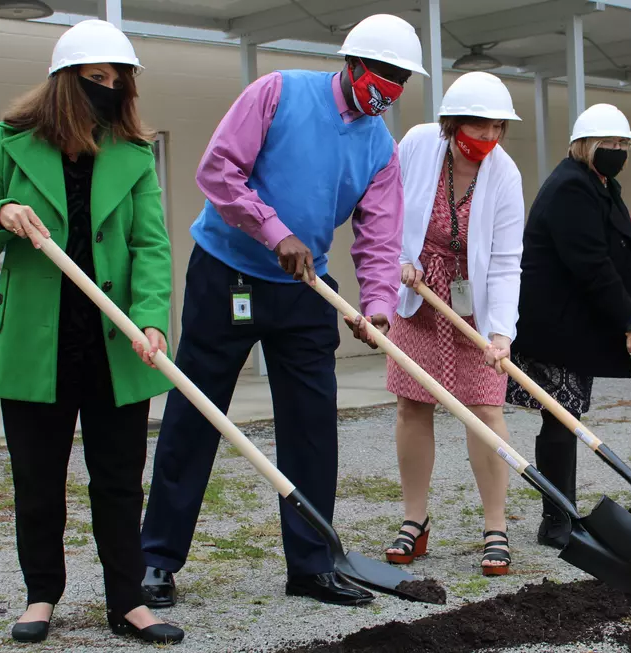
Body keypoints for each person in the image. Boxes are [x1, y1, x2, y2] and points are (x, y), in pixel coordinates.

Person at [138, 13, 426, 608]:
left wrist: (376, 306)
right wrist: (274, 231)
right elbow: (218, 170)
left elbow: (377, 239)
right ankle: (156, 559)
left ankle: (312, 563)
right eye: (383, 73)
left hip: (305, 287)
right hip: (228, 272)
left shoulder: (380, 146)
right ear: (351, 64)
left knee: (313, 429)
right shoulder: (276, 93)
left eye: (401, 79)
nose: (389, 88)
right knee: (196, 412)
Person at [0, 20, 182, 645]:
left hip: (114, 343)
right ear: (64, 84)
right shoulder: (13, 141)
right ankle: (40, 596)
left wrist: (152, 319)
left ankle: (128, 601)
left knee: (118, 479)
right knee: (37, 480)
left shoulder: (134, 153)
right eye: (95, 82)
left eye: (117, 82)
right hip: (37, 344)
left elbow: (151, 246)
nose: (107, 92)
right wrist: (1, 214)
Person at [384, 72, 524, 576]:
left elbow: (507, 260)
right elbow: (386, 207)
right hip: (418, 295)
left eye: (496, 129)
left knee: (486, 410)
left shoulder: (505, 174)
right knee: (412, 405)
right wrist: (397, 259)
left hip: (473, 307)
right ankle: (414, 520)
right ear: (452, 123)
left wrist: (500, 333)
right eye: (478, 127)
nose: (487, 138)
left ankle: (495, 526)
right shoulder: (419, 144)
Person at [506, 104, 631, 549]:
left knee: (566, 415)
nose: (618, 152)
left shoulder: (597, 183)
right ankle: (556, 519)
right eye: (609, 144)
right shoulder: (572, 187)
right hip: (556, 323)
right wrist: (629, 321)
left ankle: (561, 512)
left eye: (623, 145)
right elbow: (591, 263)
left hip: (573, 321)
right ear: (585, 145)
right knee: (561, 414)